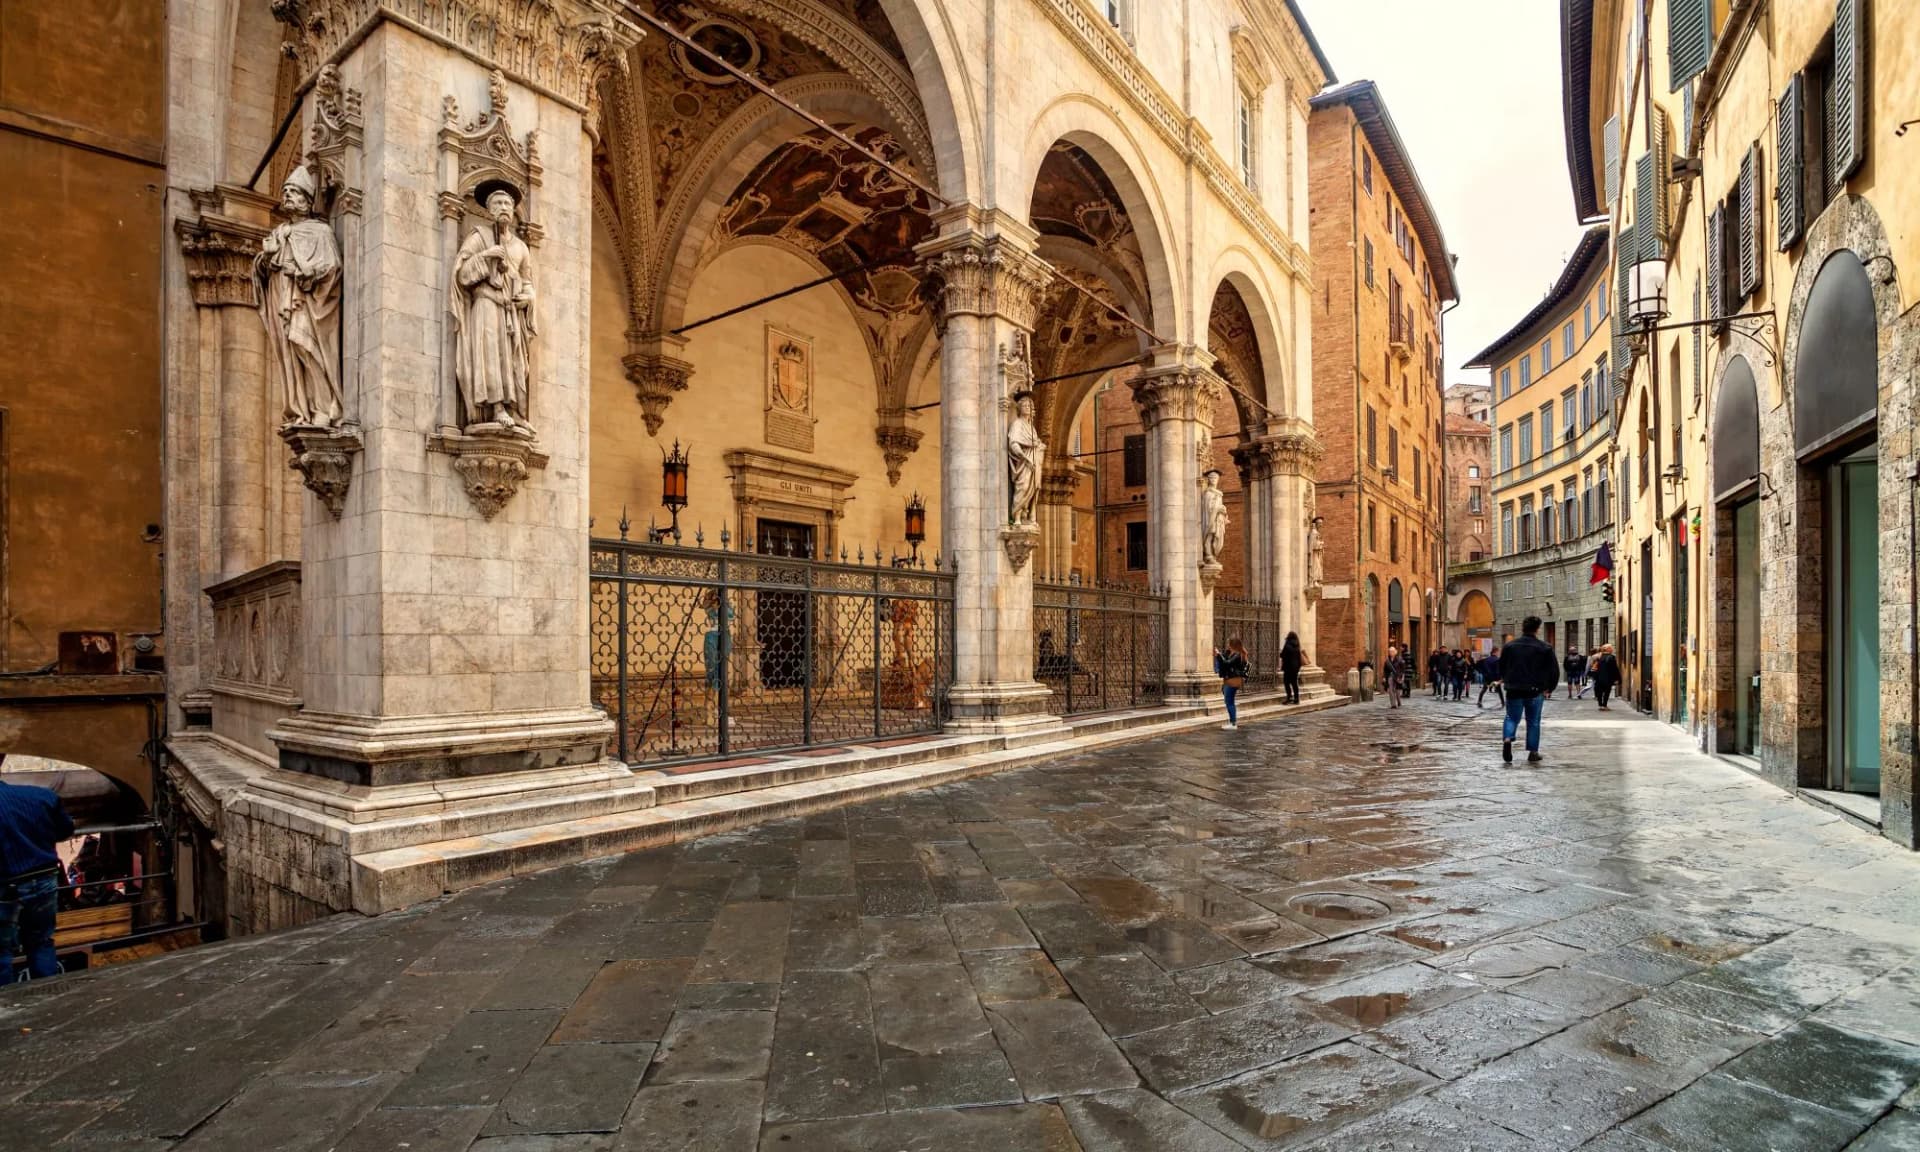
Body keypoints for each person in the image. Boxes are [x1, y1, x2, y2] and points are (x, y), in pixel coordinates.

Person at [1, 776, 75, 980]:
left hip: (5, 885)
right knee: (41, 942)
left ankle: (8, 1007)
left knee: (2, 953)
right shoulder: (42, 797)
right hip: (43, 879)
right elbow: (66, 829)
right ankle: (48, 996)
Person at [1498, 615, 1561, 764]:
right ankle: (1533, 752)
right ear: (1537, 629)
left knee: (1511, 717)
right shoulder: (1544, 647)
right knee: (1533, 721)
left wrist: (1507, 680)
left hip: (1514, 689)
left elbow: (1501, 666)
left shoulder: (1509, 646)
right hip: (1535, 690)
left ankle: (1507, 738)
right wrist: (1549, 688)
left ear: (1522, 628)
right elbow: (1554, 670)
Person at [1214, 637, 1250, 729]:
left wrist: (1218, 655)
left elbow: (1227, 663)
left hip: (1233, 680)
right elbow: (1225, 659)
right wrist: (1222, 654)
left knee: (1229, 702)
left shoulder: (1238, 655)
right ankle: (1232, 722)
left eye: (1229, 644)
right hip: (1232, 680)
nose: (1228, 645)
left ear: (1233, 645)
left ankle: (1233, 723)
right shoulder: (1234, 653)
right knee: (1229, 701)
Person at [1590, 644, 1621, 710]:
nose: (1612, 649)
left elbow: (1593, 666)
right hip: (1608, 677)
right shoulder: (1611, 657)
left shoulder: (1599, 656)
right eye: (1611, 648)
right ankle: (1604, 705)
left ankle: (1600, 705)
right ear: (1608, 649)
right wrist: (1617, 678)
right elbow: (1614, 668)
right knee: (1607, 691)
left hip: (1599, 677)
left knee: (1599, 691)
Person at [1280, 632, 1306, 705]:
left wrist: (1281, 653)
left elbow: (1283, 655)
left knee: (1286, 682)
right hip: (1296, 668)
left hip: (1288, 667)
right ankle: (1296, 698)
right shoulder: (1297, 645)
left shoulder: (1287, 645)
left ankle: (1289, 697)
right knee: (1294, 683)